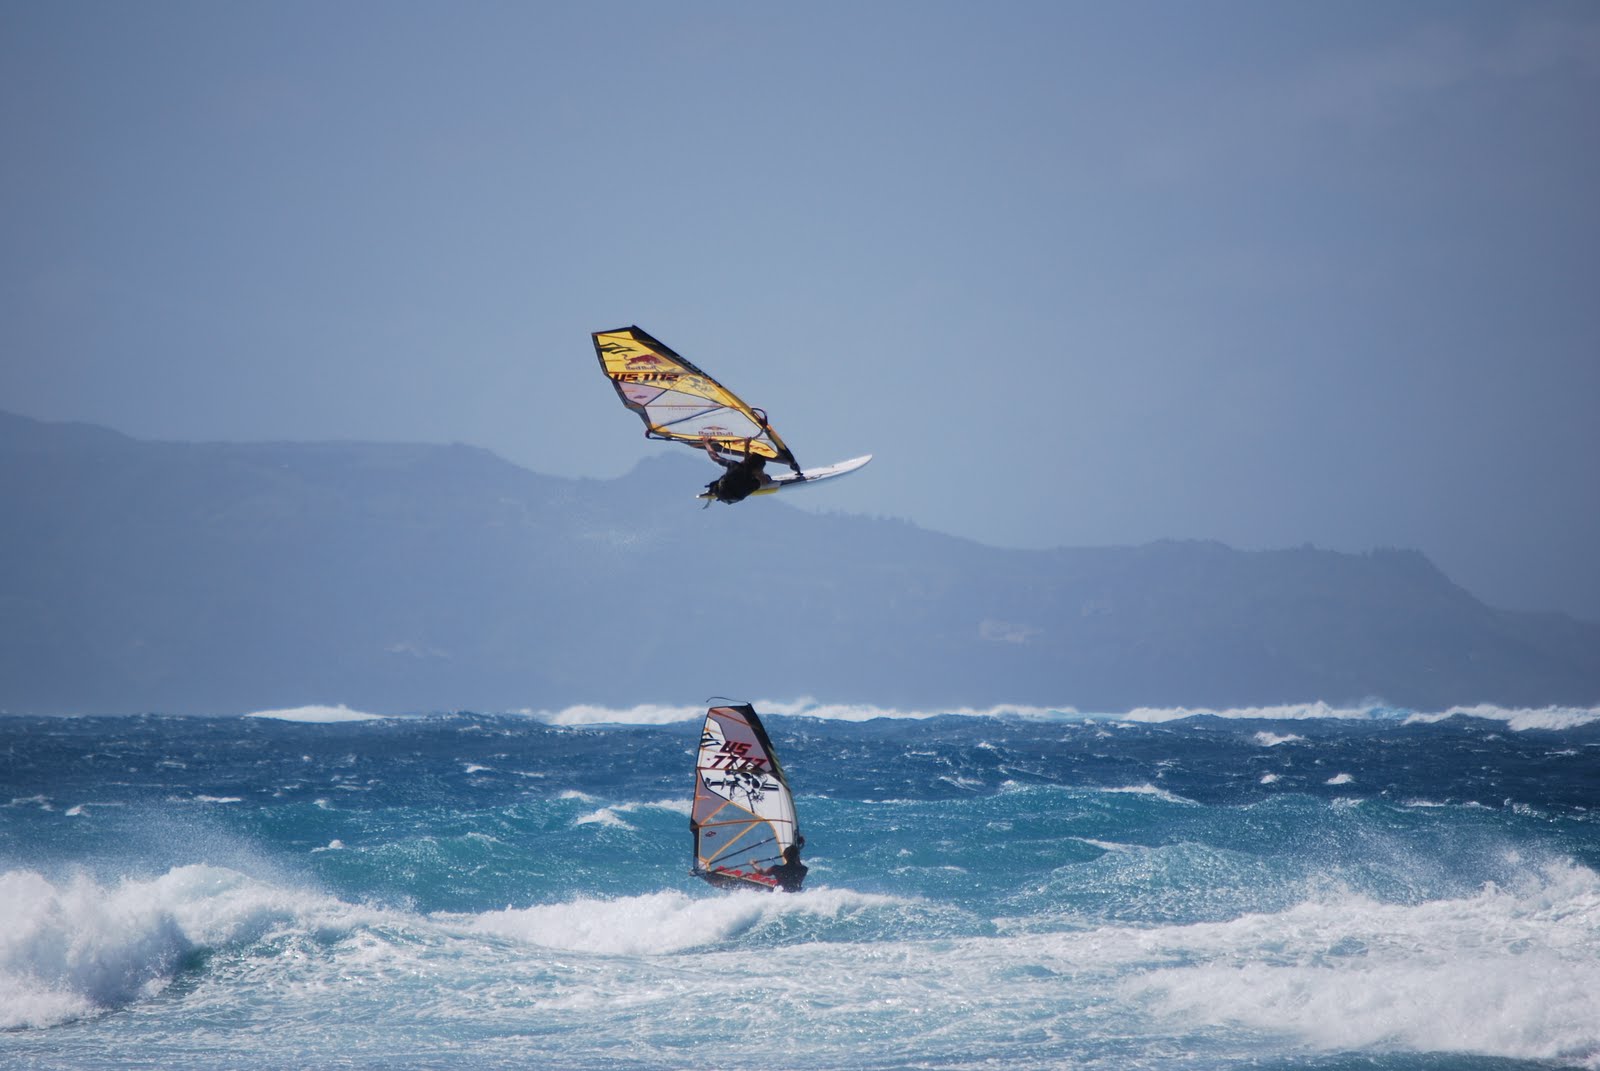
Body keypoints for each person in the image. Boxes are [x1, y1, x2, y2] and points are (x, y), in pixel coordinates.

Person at [701, 436, 770, 504]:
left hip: (721, 491)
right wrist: (746, 446)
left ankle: (712, 490)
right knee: (756, 481)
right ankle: (766, 479)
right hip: (732, 498)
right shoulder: (755, 482)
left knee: (735, 477)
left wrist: (706, 443)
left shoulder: (734, 465)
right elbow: (747, 466)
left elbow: (715, 457)